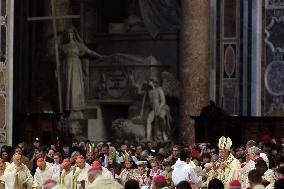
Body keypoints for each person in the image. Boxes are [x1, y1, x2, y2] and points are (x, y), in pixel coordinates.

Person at [61, 27, 103, 120]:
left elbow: (89, 52)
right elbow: (56, 58)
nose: (69, 35)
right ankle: (69, 109)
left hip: (75, 67)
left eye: (71, 33)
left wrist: (99, 56)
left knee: (75, 88)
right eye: (68, 34)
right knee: (68, 87)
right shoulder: (63, 47)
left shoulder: (78, 45)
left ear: (74, 35)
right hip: (66, 68)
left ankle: (76, 109)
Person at [146, 76, 171, 141]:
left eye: (150, 81)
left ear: (154, 82)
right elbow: (150, 102)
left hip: (162, 107)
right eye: (149, 81)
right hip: (154, 109)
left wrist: (159, 109)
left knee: (161, 117)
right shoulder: (149, 92)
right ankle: (148, 137)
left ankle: (163, 133)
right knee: (148, 119)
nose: (149, 82)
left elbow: (163, 100)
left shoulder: (159, 89)